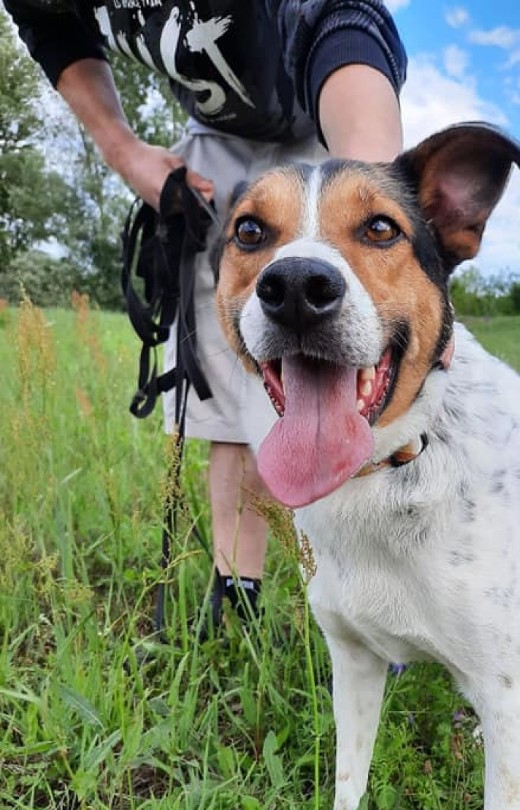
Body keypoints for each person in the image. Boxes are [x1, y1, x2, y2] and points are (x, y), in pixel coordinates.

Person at [4, 0, 407, 631]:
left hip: (324, 125)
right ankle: (235, 596)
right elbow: (51, 27)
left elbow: (341, 18)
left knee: (361, 373)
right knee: (226, 385)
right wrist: (125, 152)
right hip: (213, 147)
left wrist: (375, 210)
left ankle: (379, 597)